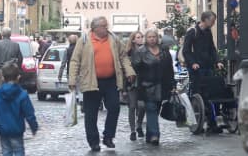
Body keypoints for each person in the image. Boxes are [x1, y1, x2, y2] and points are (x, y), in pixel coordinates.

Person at [68, 16, 136, 151]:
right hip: (91, 81)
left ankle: (108, 137)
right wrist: (72, 79)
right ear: (95, 28)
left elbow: (123, 57)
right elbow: (75, 61)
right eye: (104, 26)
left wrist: (129, 71)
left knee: (114, 108)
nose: (107, 28)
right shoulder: (84, 40)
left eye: (107, 25)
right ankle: (93, 141)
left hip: (111, 80)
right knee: (91, 113)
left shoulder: (114, 39)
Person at [182, 11, 224, 133]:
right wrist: (193, 63)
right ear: (205, 20)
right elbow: (186, 51)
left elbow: (212, 48)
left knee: (212, 94)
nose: (214, 23)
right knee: (199, 94)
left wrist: (217, 61)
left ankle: (212, 123)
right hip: (196, 69)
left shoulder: (207, 32)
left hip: (208, 66)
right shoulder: (192, 32)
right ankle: (195, 121)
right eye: (212, 20)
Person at [130, 29, 174, 145]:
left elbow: (169, 69)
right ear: (146, 38)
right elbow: (135, 68)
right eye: (149, 37)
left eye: (154, 36)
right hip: (147, 86)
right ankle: (155, 134)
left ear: (157, 38)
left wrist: (172, 84)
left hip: (162, 86)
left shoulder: (164, 51)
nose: (152, 39)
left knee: (156, 109)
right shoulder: (140, 51)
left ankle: (149, 136)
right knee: (151, 109)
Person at [124, 31, 146, 141]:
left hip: (143, 83)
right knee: (132, 107)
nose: (141, 39)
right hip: (131, 84)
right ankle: (133, 130)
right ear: (133, 40)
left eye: (142, 37)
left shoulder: (146, 51)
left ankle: (139, 125)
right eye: (138, 37)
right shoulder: (128, 53)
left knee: (142, 106)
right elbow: (124, 70)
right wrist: (123, 88)